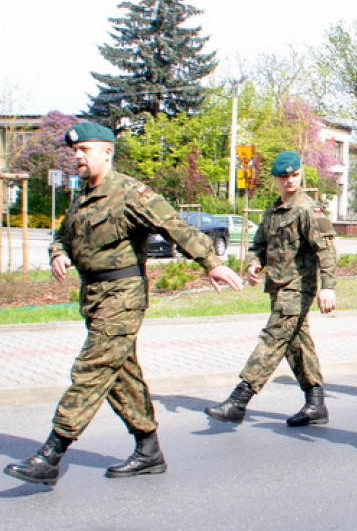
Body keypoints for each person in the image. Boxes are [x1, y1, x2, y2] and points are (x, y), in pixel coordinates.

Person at [3, 122, 244, 487]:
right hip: (95, 297)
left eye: (85, 150)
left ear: (107, 152)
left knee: (92, 367)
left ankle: (52, 453)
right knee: (120, 375)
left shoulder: (131, 193)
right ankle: (148, 451)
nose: (78, 157)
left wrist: (212, 262)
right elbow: (62, 235)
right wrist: (58, 253)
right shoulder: (82, 196)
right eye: (75, 151)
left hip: (123, 296)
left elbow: (175, 226)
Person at [205, 151, 338, 426]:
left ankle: (239, 400)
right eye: (284, 177)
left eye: (295, 175)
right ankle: (316, 404)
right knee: (297, 345)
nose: (290, 181)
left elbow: (326, 249)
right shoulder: (274, 209)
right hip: (278, 285)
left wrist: (328, 287)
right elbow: (260, 244)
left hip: (299, 287)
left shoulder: (307, 209)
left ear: (301, 174)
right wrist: (255, 263)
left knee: (273, 338)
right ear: (275, 180)